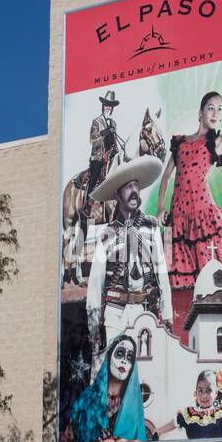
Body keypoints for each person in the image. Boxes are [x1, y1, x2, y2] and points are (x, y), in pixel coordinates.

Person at [156, 66, 222, 332]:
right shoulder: (181, 143)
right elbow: (166, 178)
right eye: (211, 107)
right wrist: (162, 207)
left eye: (219, 109)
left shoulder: (216, 144)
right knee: (179, 277)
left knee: (213, 270)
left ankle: (221, 326)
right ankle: (183, 329)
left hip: (203, 216)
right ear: (200, 112)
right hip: (179, 218)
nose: (216, 112)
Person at [86, 155, 173, 373]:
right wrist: (94, 326)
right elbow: (95, 284)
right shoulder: (106, 234)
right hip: (116, 313)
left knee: (148, 373)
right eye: (127, 187)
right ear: (117, 194)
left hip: (146, 309)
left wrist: (168, 315)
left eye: (136, 185)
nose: (134, 191)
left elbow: (162, 273)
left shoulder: (151, 227)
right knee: (118, 372)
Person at [67, 334, 147, 442]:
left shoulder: (133, 406)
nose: (124, 361)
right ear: (109, 357)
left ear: (132, 366)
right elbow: (72, 438)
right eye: (120, 353)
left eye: (129, 358)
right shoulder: (87, 397)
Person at [154, 370, 222, 441]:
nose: (204, 395)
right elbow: (172, 424)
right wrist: (158, 431)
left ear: (216, 393)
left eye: (208, 390)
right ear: (195, 393)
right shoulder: (189, 414)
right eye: (200, 390)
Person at [87, 90, 120, 194]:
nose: (108, 107)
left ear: (112, 108)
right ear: (103, 105)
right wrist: (105, 132)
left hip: (110, 156)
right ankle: (87, 201)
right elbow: (93, 140)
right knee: (95, 175)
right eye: (106, 104)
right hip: (98, 157)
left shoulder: (114, 123)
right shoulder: (96, 121)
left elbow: (114, 140)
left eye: (110, 105)